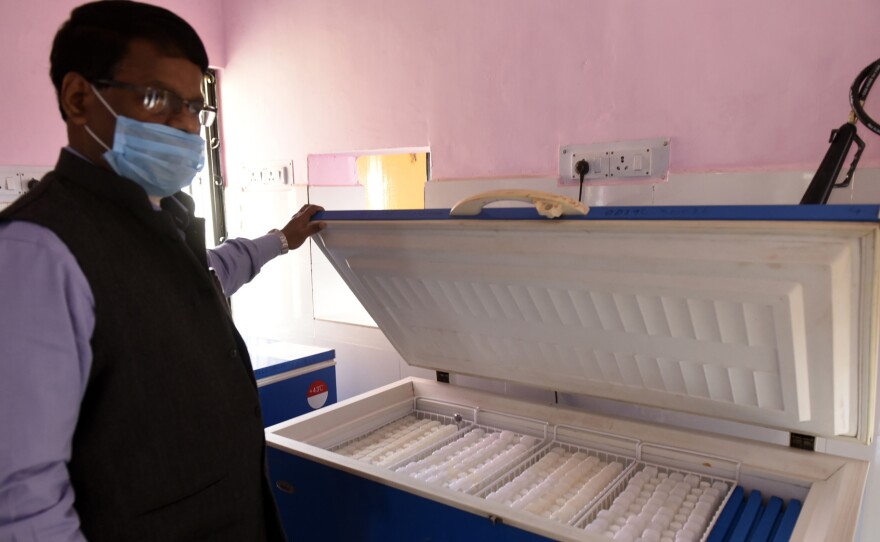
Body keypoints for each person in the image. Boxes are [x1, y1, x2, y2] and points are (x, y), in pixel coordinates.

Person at [0, 2, 325, 540]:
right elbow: (22, 500)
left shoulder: (158, 218)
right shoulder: (36, 251)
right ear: (79, 97)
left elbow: (213, 273)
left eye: (194, 107)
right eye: (158, 100)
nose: (183, 126)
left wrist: (282, 240)